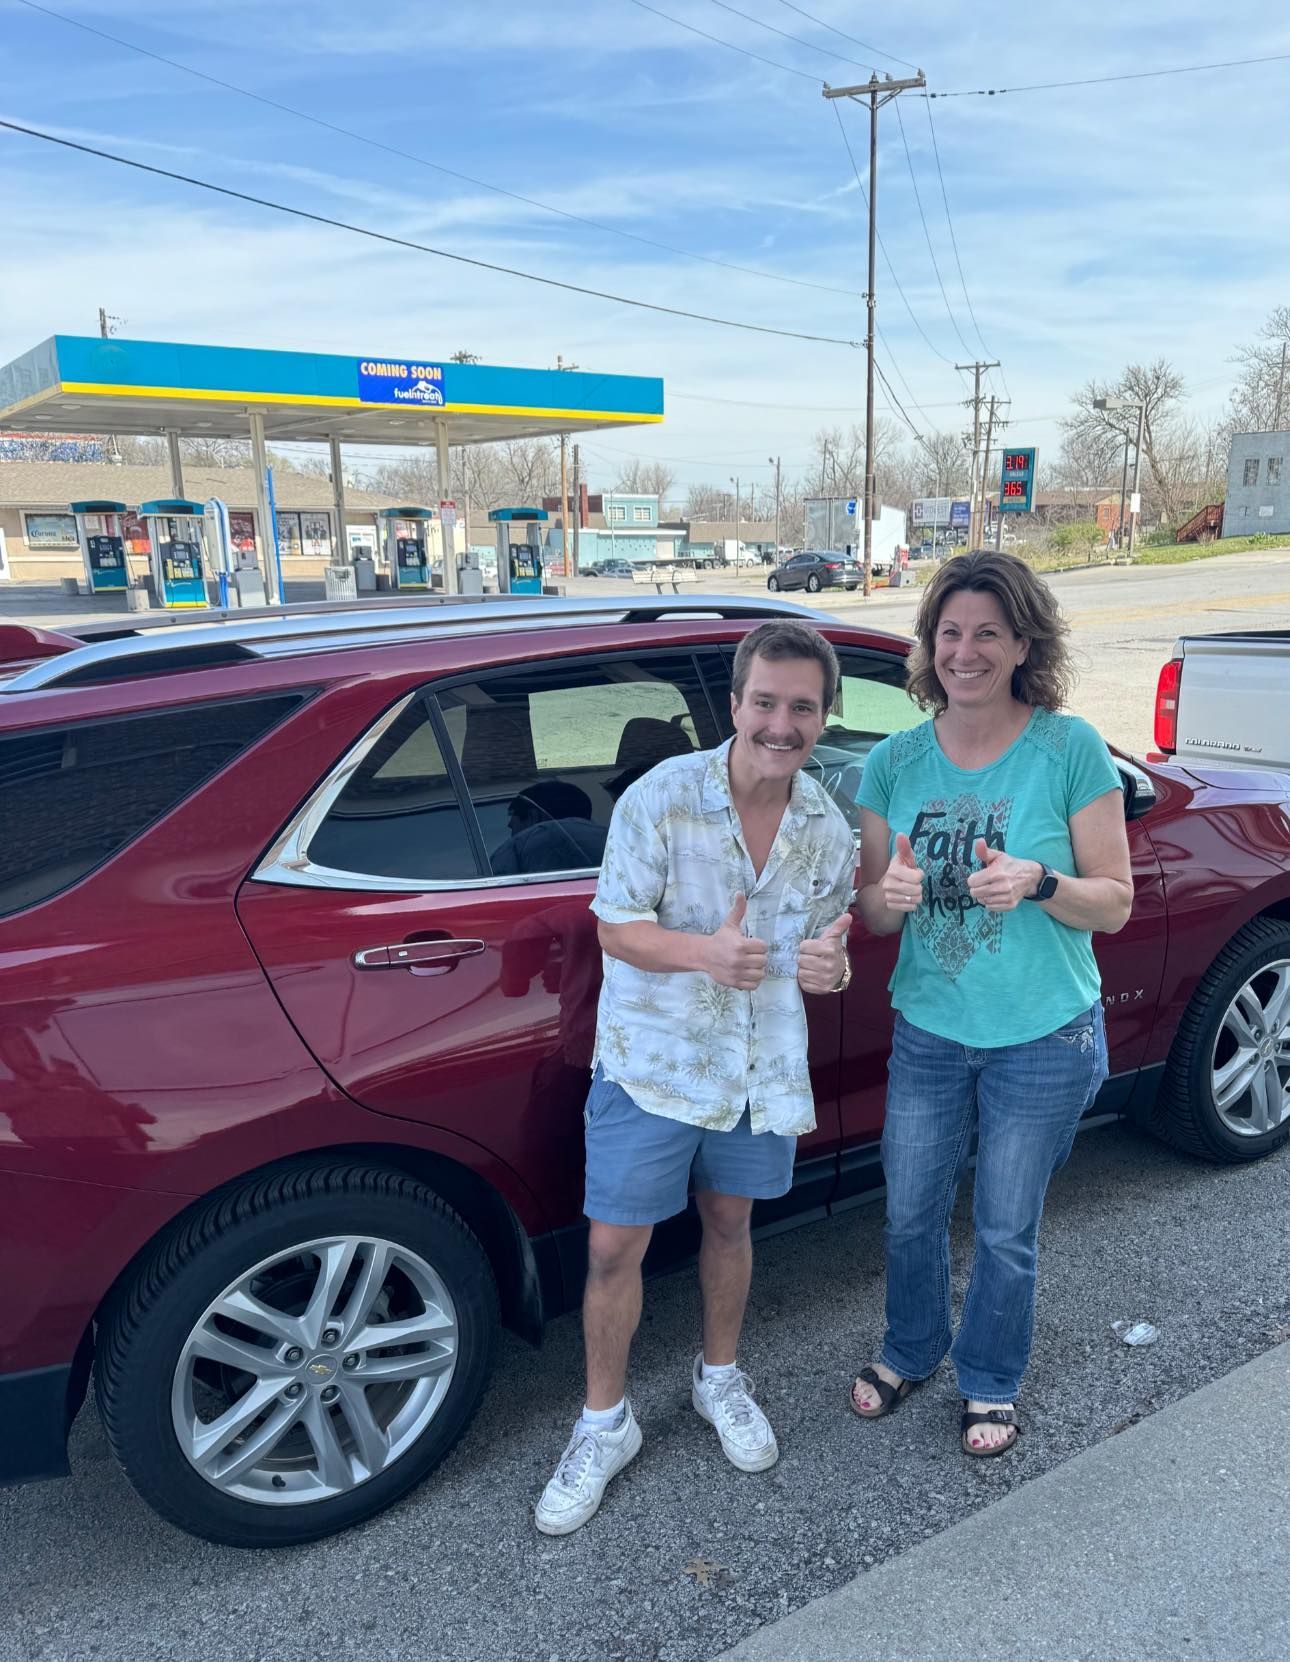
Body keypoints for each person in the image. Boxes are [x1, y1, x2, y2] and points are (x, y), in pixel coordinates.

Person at [535, 620, 857, 1534]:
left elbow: (829, 944)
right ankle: (605, 1424)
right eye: (766, 702)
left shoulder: (826, 826)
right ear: (736, 704)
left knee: (730, 1225)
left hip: (756, 1070)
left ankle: (719, 1379)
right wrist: (704, 954)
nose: (781, 725)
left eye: (802, 708)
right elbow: (614, 926)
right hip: (653, 1066)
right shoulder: (663, 797)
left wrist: (832, 969)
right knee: (612, 1250)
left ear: (824, 716)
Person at [850, 550, 1132, 1457]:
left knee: (1006, 1227)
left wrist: (1040, 880)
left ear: (1022, 646)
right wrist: (887, 899)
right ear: (928, 645)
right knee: (909, 1212)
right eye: (949, 633)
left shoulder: (1069, 748)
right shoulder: (892, 762)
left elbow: (1115, 902)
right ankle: (911, 1347)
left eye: (987, 634)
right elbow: (873, 912)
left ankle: (990, 1377)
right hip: (930, 1030)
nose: (964, 652)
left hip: (1043, 1034)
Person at [489, 779, 608, 876]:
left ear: (533, 816)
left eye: (513, 815)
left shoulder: (538, 841)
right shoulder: (609, 840)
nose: (509, 825)